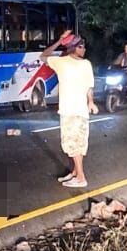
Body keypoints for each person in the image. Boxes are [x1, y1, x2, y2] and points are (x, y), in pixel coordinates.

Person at [40, 30, 98, 189]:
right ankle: (74, 172)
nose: (84, 49)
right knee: (77, 143)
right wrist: (90, 102)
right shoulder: (65, 62)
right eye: (81, 46)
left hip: (72, 110)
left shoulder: (74, 63)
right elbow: (89, 87)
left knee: (73, 144)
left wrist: (59, 41)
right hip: (75, 110)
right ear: (74, 48)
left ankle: (80, 177)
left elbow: (44, 56)